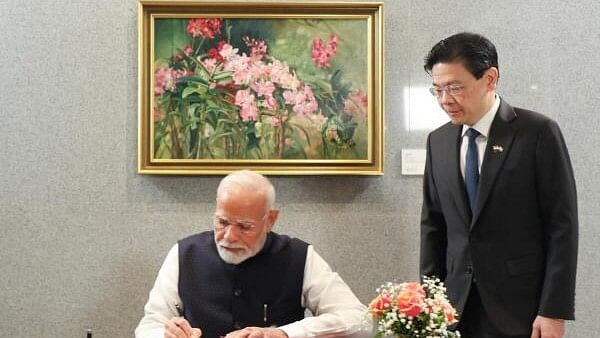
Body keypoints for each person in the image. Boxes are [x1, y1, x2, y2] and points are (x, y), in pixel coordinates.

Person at [419, 32, 578, 338]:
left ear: (490, 78)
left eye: (454, 87)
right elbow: (433, 227)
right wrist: (430, 304)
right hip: (455, 309)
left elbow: (562, 227)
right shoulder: (437, 141)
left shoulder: (537, 133)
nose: (444, 100)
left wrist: (553, 309)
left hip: (522, 309)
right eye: (437, 89)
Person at [135, 170, 368, 338]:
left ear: (270, 220)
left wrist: (284, 334)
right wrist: (166, 334)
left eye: (245, 226)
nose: (229, 236)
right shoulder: (184, 253)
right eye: (222, 222)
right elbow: (148, 326)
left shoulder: (299, 256)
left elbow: (359, 319)